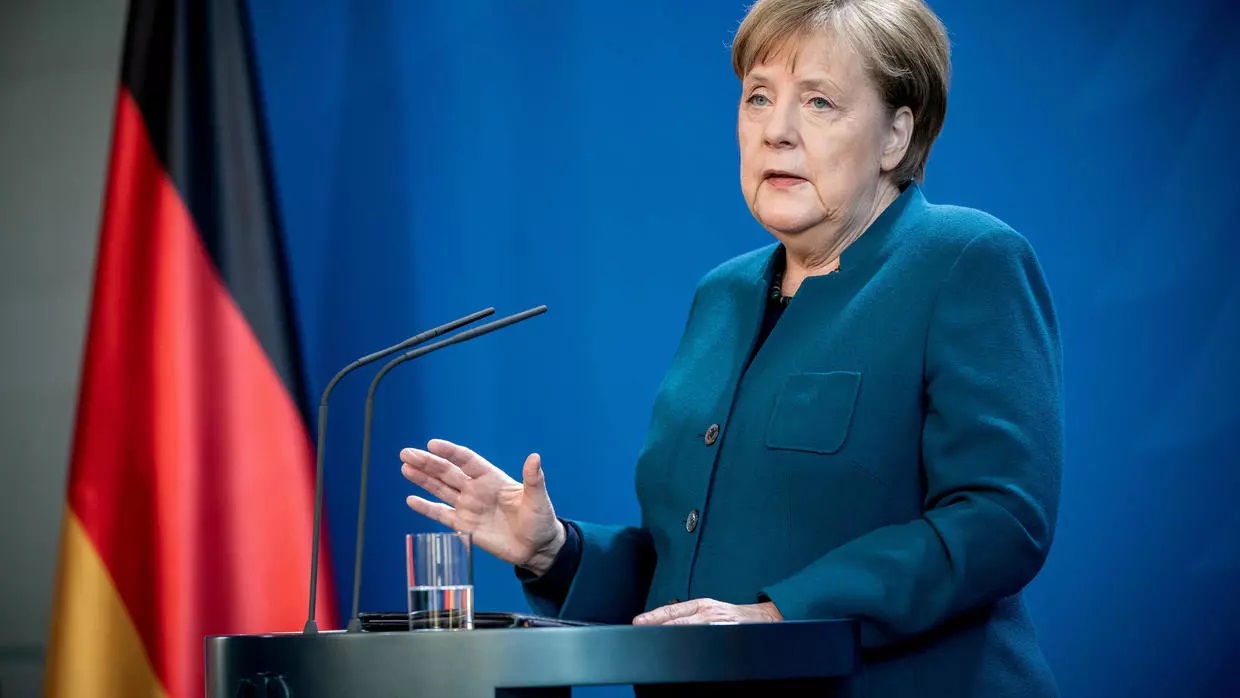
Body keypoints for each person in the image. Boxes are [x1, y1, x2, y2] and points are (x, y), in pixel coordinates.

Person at [399, 0, 1062, 695]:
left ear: (897, 133)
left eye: (820, 102)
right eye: (757, 98)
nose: (776, 132)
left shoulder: (965, 261)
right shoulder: (723, 295)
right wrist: (556, 552)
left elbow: (998, 520)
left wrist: (781, 616)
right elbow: (690, 568)